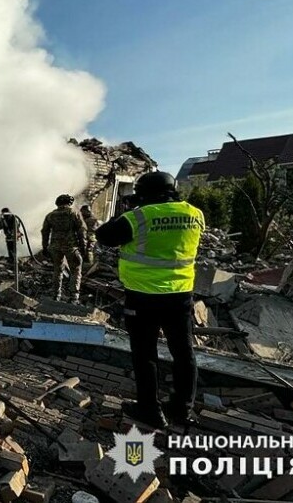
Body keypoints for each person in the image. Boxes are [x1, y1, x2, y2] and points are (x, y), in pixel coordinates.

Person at [95, 171, 204, 428]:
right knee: (184, 352)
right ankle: (182, 409)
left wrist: (124, 211)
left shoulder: (138, 217)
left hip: (143, 296)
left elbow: (104, 236)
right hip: (180, 295)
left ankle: (150, 410)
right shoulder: (194, 214)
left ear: (144, 194)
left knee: (145, 354)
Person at [41, 194, 88, 303]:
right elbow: (82, 231)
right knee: (76, 270)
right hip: (71, 247)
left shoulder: (50, 215)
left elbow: (45, 232)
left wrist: (45, 247)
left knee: (57, 270)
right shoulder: (73, 213)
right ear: (69, 203)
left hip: (55, 247)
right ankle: (74, 297)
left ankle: (56, 295)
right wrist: (83, 247)